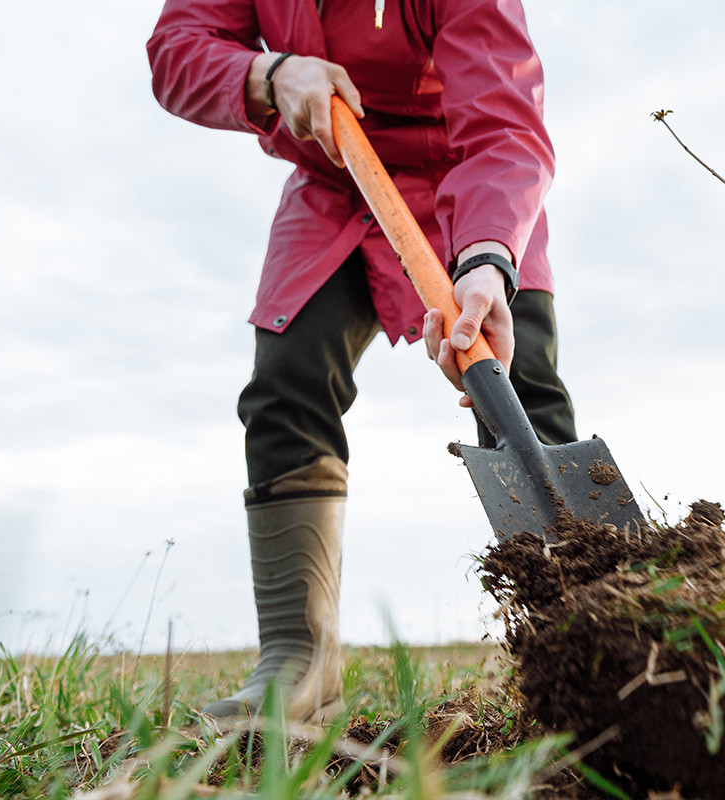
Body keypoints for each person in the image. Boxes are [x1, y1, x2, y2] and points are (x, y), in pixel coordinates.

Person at [146, 0, 576, 722]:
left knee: (520, 389)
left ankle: (578, 644)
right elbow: (177, 50)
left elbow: (504, 127)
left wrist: (486, 257)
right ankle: (297, 665)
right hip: (334, 185)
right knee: (287, 384)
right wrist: (266, 72)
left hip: (466, 187)